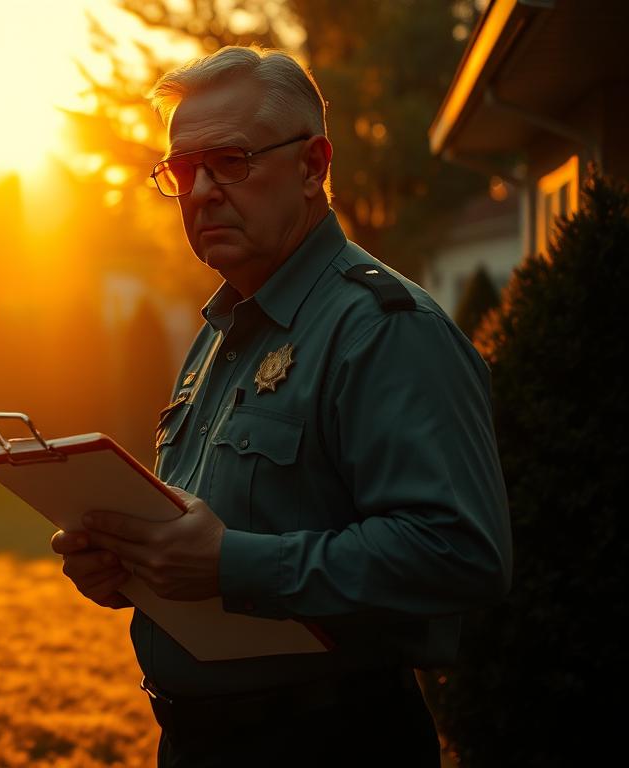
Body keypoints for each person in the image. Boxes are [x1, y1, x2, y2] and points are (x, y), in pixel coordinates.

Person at [50, 46, 513, 767]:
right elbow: (214, 529)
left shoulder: (384, 328)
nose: (200, 190)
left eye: (230, 160)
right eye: (181, 170)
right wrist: (131, 564)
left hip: (331, 741)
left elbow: (459, 553)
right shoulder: (222, 331)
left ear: (312, 166)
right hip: (196, 741)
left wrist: (233, 565)